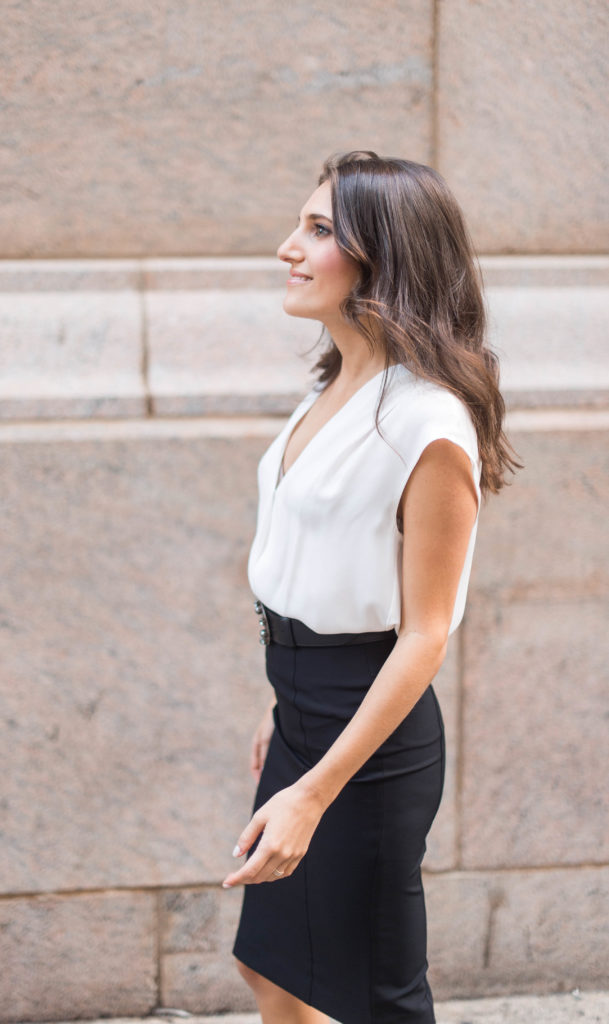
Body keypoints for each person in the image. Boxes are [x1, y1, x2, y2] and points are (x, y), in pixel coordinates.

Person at [222, 151, 518, 1024]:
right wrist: (279, 705)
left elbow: (424, 634)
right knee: (272, 969)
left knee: (380, 1003)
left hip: (370, 744)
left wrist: (314, 790)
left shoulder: (428, 422)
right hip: (303, 707)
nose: (288, 248)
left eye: (318, 231)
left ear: (382, 256)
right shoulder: (335, 384)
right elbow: (309, 565)